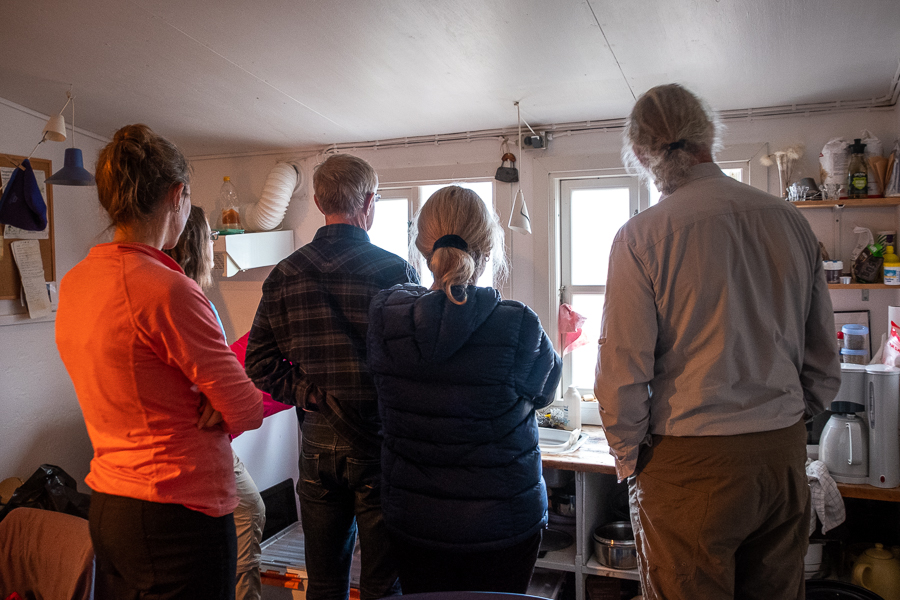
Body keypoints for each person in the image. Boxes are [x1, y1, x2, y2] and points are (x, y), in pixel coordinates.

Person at [594, 84, 841, 600]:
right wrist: (792, 421)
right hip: (781, 453)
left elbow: (622, 372)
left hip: (689, 462)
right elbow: (822, 358)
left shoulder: (641, 237)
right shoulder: (791, 222)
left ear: (641, 155)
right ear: (709, 135)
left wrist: (629, 456)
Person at [55, 124, 263, 600]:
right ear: (178, 195)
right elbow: (247, 409)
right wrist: (220, 400)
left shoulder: (77, 281)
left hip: (110, 504)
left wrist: (216, 397)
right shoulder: (166, 289)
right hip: (175, 514)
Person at [366, 185, 562, 594]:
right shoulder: (518, 323)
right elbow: (545, 391)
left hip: (415, 519)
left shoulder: (387, 316)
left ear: (423, 249)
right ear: (487, 249)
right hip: (503, 521)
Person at [245, 153, 417, 600]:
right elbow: (414, 364)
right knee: (383, 583)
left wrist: (308, 392)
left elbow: (258, 362)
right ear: (371, 203)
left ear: (319, 201)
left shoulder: (285, 273)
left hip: (318, 441)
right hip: (379, 440)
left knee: (324, 582)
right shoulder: (394, 271)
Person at [164, 205, 267, 600]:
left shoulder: (175, 293)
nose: (212, 245)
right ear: (196, 244)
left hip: (180, 442)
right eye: (210, 238)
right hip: (196, 441)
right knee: (249, 510)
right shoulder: (187, 298)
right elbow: (236, 403)